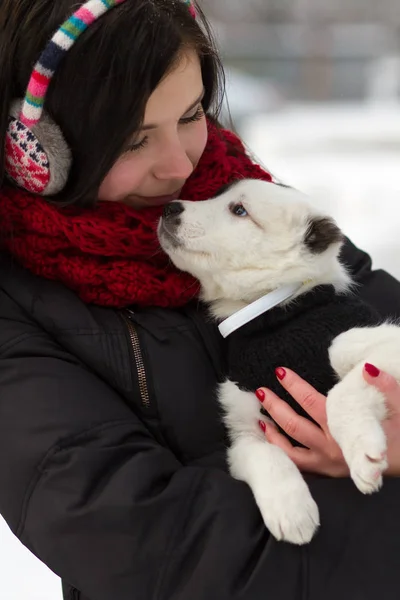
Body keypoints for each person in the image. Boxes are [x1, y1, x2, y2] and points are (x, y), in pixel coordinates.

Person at [0, 1, 400, 599]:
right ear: (39, 156)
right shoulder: (19, 311)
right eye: (133, 140)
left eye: (190, 114)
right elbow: (169, 553)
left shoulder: (255, 203)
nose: (181, 165)